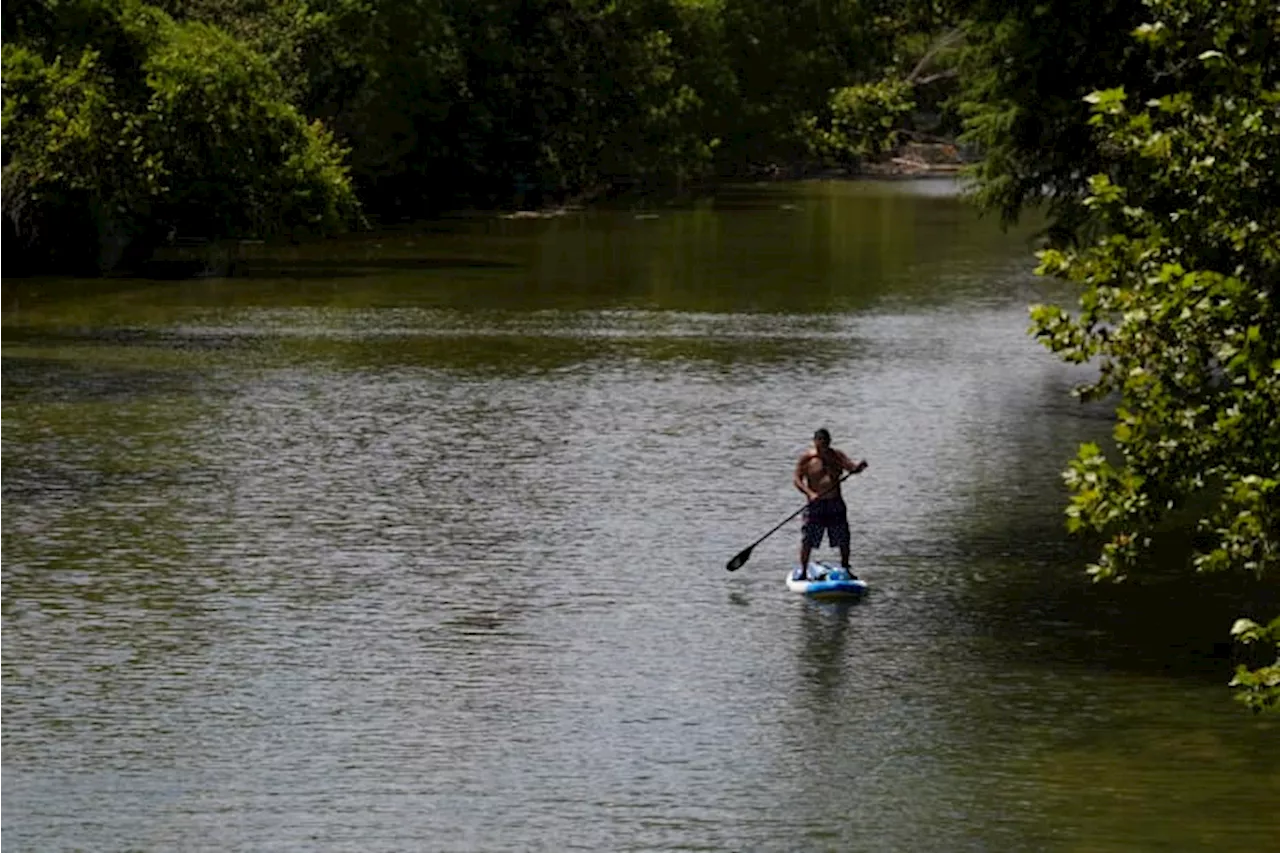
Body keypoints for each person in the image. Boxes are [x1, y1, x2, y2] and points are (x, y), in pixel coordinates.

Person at [794, 428, 867, 579]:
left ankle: (846, 568)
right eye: (821, 444)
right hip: (816, 506)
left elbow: (850, 467)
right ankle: (803, 571)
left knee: (843, 538)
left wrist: (858, 468)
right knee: (808, 539)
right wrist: (810, 493)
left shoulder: (836, 456)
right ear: (815, 442)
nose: (824, 447)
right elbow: (797, 479)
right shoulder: (807, 458)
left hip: (835, 503)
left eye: (826, 444)